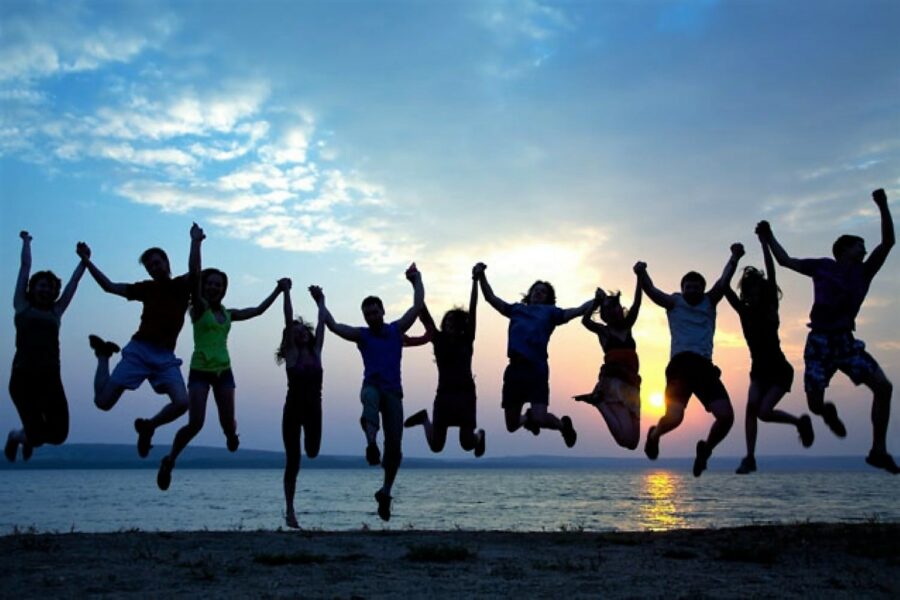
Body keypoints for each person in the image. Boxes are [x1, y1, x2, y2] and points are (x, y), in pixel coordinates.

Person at [759, 188, 896, 474]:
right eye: (860, 245)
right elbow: (786, 261)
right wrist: (769, 236)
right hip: (819, 342)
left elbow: (888, 242)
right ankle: (826, 413)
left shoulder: (864, 271)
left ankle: (878, 449)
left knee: (884, 387)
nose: (865, 249)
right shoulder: (822, 267)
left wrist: (883, 205)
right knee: (815, 404)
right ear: (844, 249)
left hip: (845, 341)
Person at [156, 224, 288, 490]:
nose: (215, 288)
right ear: (204, 288)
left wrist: (279, 290)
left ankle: (231, 435)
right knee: (196, 424)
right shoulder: (198, 308)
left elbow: (258, 311)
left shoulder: (228, 314)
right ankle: (170, 460)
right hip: (200, 372)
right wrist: (196, 242)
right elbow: (194, 274)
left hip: (224, 371)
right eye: (211, 284)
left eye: (219, 285)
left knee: (228, 423)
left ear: (224, 289)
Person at [312, 264, 425, 521]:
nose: (372, 317)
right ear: (364, 317)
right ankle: (371, 444)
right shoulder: (362, 336)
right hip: (372, 387)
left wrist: (416, 280)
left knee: (395, 449)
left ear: (383, 311)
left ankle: (385, 492)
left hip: (394, 393)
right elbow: (332, 324)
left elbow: (417, 306)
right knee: (369, 400)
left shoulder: (396, 330)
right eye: (367, 314)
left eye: (375, 312)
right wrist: (321, 301)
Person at [80, 224, 201, 458]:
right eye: (150, 266)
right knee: (103, 402)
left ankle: (149, 426)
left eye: (157, 262)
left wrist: (195, 241)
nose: (154, 267)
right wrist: (86, 261)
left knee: (182, 403)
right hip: (140, 350)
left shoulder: (180, 286)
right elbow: (109, 287)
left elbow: (195, 271)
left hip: (165, 357)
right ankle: (103, 355)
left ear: (167, 263)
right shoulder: (146, 288)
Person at [637, 244, 744, 477]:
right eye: (688, 287)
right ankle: (654, 435)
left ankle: (705, 450)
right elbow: (652, 291)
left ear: (703, 289)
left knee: (726, 417)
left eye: (697, 287)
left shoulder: (710, 301)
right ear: (682, 288)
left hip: (705, 367)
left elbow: (724, 280)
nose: (692, 290)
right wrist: (642, 273)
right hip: (680, 367)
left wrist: (734, 257)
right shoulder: (675, 302)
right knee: (675, 418)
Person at [725, 227, 814, 474]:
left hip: (779, 368)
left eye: (757, 291)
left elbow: (772, 273)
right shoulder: (743, 311)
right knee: (752, 408)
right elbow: (724, 288)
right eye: (749, 292)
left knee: (763, 412)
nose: (752, 295)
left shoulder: (770, 306)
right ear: (745, 294)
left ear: (762, 292)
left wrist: (764, 242)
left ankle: (799, 422)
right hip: (759, 369)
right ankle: (750, 457)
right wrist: (734, 258)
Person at [474, 262, 592, 447]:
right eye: (535, 290)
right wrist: (481, 276)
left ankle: (563, 426)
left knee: (541, 417)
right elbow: (490, 298)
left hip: (536, 369)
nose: (538, 293)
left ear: (548, 298)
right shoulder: (516, 310)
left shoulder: (551, 313)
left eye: (543, 291)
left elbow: (576, 311)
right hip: (514, 370)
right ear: (529, 294)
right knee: (511, 426)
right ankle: (527, 418)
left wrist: (597, 301)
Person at [5, 232, 88, 462]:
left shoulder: (56, 311)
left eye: (51, 288)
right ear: (33, 288)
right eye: (42, 286)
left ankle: (24, 436)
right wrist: (26, 242)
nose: (46, 290)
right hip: (23, 379)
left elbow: (73, 284)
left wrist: (84, 262)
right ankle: (17, 437)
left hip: (50, 379)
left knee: (59, 434)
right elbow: (25, 267)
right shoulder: (22, 306)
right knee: (38, 436)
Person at [404, 267, 485, 457]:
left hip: (465, 394)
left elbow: (473, 309)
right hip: (445, 394)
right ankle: (424, 419)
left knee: (467, 444)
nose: (448, 323)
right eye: (446, 320)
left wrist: (475, 281)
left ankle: (480, 436)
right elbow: (422, 312)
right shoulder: (438, 338)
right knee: (436, 446)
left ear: (460, 324)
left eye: (452, 320)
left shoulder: (467, 338)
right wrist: (414, 284)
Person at [574, 273, 643, 450]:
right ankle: (600, 403)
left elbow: (637, 303)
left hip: (632, 384)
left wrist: (639, 276)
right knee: (625, 438)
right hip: (613, 383)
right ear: (604, 315)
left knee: (633, 443)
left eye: (616, 306)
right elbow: (585, 321)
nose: (614, 310)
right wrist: (596, 303)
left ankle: (599, 402)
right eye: (608, 308)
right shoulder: (604, 332)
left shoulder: (628, 326)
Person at [276, 282, 325, 529]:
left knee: (313, 451)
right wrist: (286, 292)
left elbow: (322, 323)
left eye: (302, 328)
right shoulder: (292, 354)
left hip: (314, 410)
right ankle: (290, 511)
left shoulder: (316, 351)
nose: (300, 332)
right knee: (293, 460)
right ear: (290, 338)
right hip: (293, 410)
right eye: (294, 331)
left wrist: (321, 301)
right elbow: (287, 319)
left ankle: (291, 510)